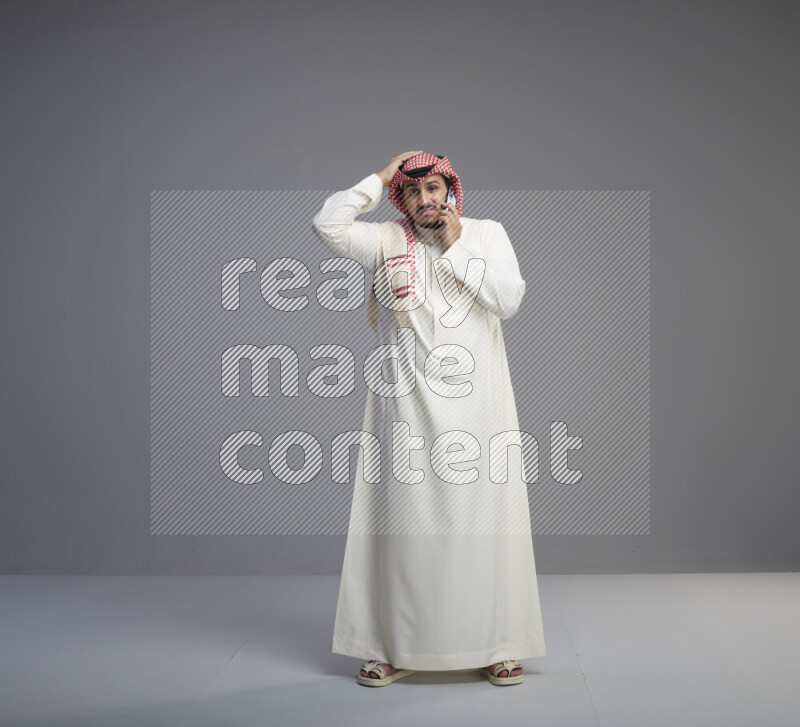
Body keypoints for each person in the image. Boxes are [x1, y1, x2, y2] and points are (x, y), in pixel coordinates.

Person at [311, 151, 546, 687]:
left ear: (451, 190)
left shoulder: (486, 234)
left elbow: (508, 300)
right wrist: (380, 175)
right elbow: (326, 223)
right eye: (413, 192)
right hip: (406, 408)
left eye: (434, 189)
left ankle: (497, 643)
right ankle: (390, 646)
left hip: (480, 410)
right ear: (403, 196)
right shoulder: (385, 242)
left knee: (483, 526)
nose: (425, 200)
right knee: (405, 528)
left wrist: (455, 245)